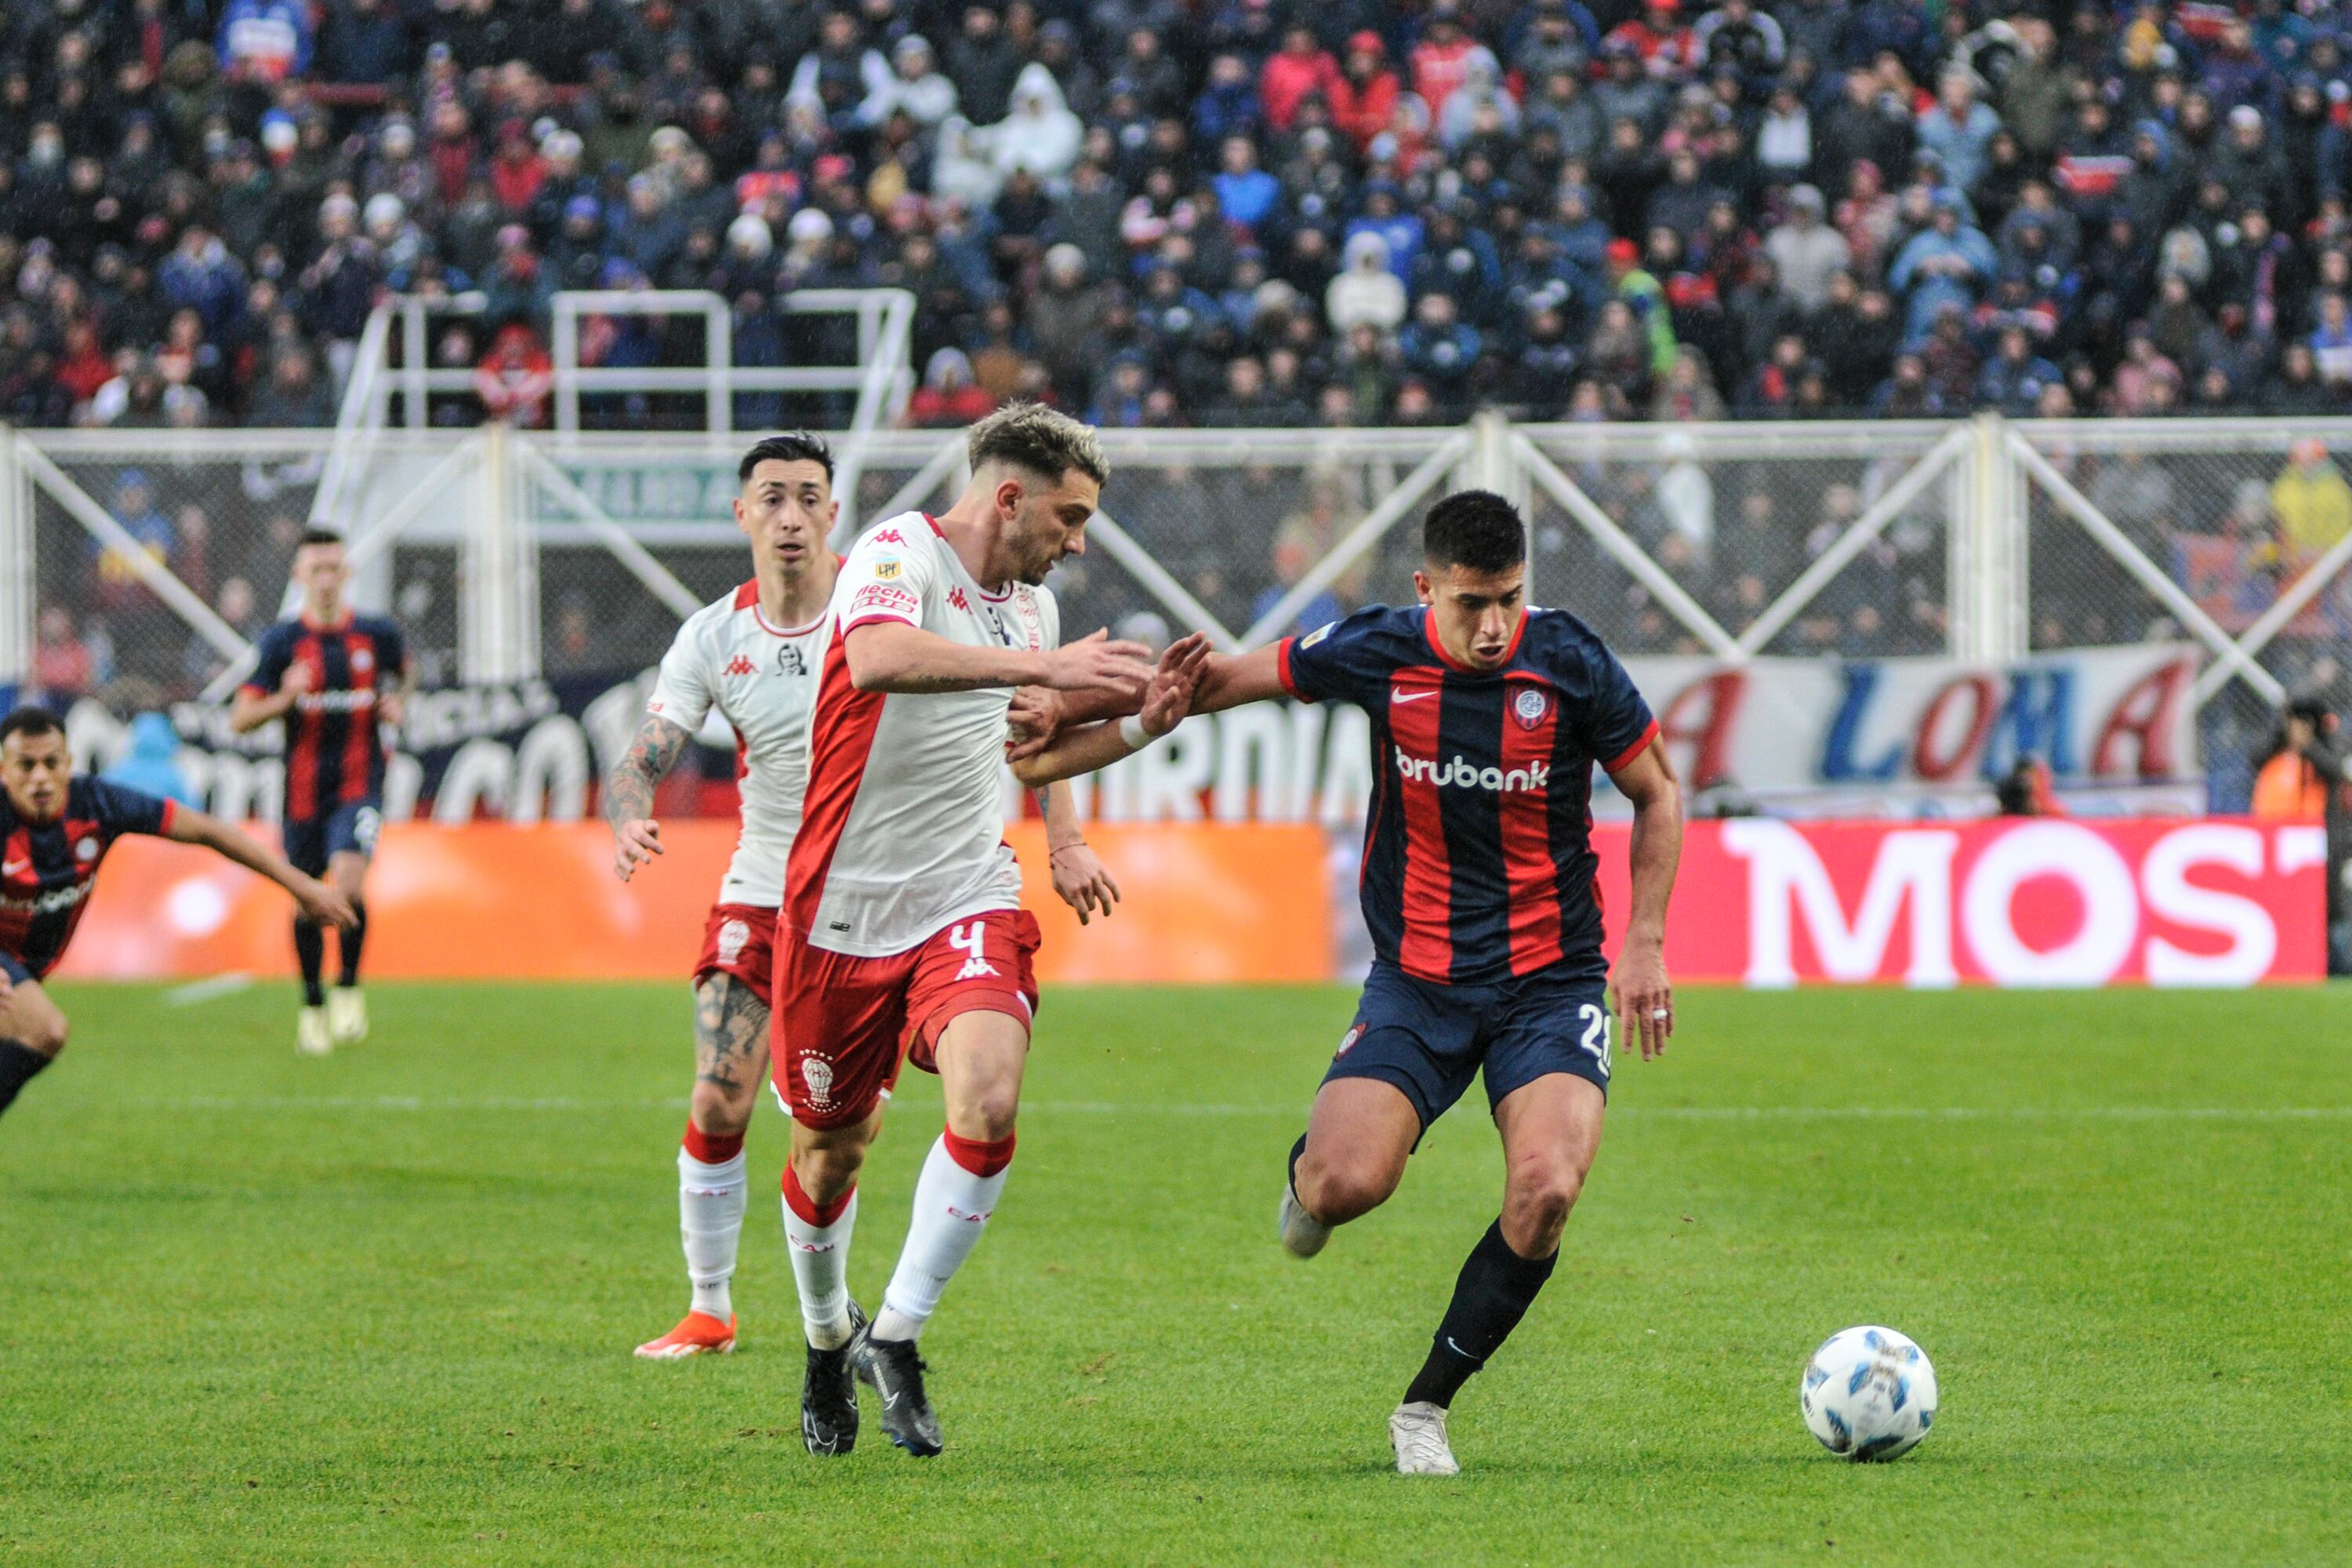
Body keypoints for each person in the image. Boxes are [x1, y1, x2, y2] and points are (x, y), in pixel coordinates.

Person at [1109, 490, 1685, 1476]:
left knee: (1546, 1187)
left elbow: (1658, 791)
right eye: (1471, 603)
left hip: (1553, 982)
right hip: (1417, 983)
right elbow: (1231, 680)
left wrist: (1647, 943)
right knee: (1343, 1185)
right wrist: (1087, 722)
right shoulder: (1379, 649)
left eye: (1508, 598)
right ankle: (1306, 1175)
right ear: (1427, 590)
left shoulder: (1574, 660)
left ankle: (1425, 1405)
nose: (1495, 624)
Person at [771, 405, 1157, 1457]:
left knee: (986, 1097)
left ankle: (895, 1335)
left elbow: (1032, 751)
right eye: (1069, 517)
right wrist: (1047, 672)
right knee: (829, 1153)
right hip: (840, 910)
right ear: (1008, 497)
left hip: (965, 893)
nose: (1077, 540)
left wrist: (1079, 816)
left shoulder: (1032, 610)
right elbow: (881, 659)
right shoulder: (899, 553)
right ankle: (824, 1338)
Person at [604, 434, 844, 1365]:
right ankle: (710, 1308)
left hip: (864, 899)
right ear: (742, 514)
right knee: (716, 1098)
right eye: (772, 498)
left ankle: (833, 1316)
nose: (790, 515)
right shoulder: (713, 634)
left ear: (834, 513)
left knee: (829, 1130)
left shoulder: (875, 616)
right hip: (759, 884)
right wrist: (629, 816)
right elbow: (644, 753)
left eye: (808, 497)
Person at [0, 706, 354, 1124]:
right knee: (45, 1029)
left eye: (50, 763)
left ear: (69, 764)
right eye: (25, 765)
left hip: (25, 967)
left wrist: (302, 886)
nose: (39, 777)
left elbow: (209, 831)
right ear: (4, 769)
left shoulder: (98, 803)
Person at [230, 530, 412, 1057]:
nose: (327, 579)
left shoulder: (376, 633)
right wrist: (286, 696)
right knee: (309, 900)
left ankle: (349, 987)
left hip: (360, 783)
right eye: (317, 570)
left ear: (347, 572)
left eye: (335, 568)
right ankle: (311, 1003)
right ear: (300, 577)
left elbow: (405, 675)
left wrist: (396, 701)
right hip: (303, 793)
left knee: (350, 886)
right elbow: (241, 717)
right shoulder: (281, 644)